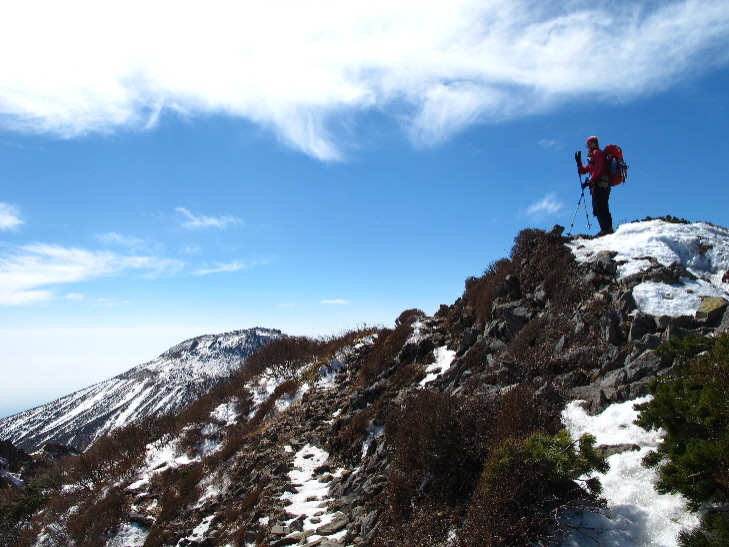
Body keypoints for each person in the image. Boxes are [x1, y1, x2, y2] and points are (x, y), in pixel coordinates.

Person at [575, 136, 613, 236]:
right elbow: (583, 170)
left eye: (590, 144)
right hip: (602, 184)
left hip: (599, 184)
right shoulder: (594, 155)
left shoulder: (597, 153)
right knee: (603, 207)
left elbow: (598, 168)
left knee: (599, 207)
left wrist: (591, 180)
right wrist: (578, 161)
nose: (588, 146)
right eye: (587, 144)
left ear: (595, 144)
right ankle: (607, 228)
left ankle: (605, 230)